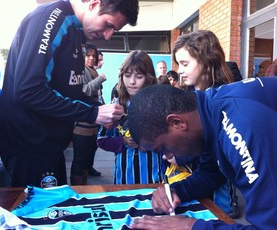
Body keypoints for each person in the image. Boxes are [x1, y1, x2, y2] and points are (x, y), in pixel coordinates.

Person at [0, 0, 139, 188]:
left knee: (58, 211)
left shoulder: (78, 29)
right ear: (94, 4)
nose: (108, 36)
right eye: (108, 25)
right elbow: (28, 90)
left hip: (49, 146)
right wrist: (92, 114)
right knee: (41, 214)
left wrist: (99, 109)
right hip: (28, 145)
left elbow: (69, 91)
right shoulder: (50, 18)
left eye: (114, 30)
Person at [128, 78, 277, 229]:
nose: (169, 155)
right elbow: (212, 173)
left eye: (163, 148)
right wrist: (176, 191)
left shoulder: (242, 129)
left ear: (177, 122)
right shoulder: (208, 112)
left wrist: (191, 226)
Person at [172, 30, 239, 218]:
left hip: (217, 187)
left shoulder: (223, 99)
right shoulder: (189, 95)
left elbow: (214, 161)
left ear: (206, 60)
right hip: (194, 179)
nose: (179, 70)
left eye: (185, 64)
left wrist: (181, 156)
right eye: (179, 64)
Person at [97, 50, 165, 184]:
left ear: (149, 77)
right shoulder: (115, 107)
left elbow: (174, 142)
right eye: (127, 75)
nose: (132, 82)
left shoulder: (161, 106)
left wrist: (153, 143)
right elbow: (101, 140)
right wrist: (122, 141)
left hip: (155, 179)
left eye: (139, 76)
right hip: (123, 179)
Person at [71, 43, 106, 185]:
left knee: (86, 160)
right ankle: (76, 192)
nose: (91, 58)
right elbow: (84, 91)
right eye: (88, 55)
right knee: (80, 159)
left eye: (94, 55)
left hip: (92, 122)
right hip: (82, 124)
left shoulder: (91, 71)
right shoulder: (81, 70)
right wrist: (100, 79)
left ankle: (84, 189)